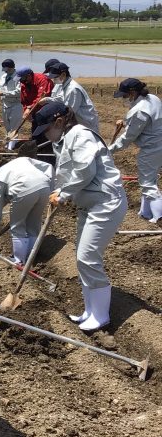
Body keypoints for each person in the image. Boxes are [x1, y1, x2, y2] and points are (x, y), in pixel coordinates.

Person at [32, 100, 127, 332]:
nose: (45, 134)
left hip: (106, 203)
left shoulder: (80, 135)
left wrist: (64, 194)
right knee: (81, 258)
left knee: (88, 257)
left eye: (46, 129)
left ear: (59, 121)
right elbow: (68, 172)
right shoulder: (64, 139)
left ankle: (101, 316)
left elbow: (85, 171)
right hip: (89, 204)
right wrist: (59, 191)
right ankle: (90, 310)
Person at [0, 143, 54, 263]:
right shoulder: (14, 166)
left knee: (17, 226)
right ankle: (31, 258)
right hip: (44, 186)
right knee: (33, 224)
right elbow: (48, 167)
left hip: (24, 188)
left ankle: (19, 260)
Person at [110, 78, 162, 222]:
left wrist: (110, 149)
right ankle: (146, 213)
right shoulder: (153, 98)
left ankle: (159, 218)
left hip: (152, 148)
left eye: (125, 96)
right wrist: (126, 123)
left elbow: (128, 137)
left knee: (147, 183)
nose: (124, 99)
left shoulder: (139, 111)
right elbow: (145, 124)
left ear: (132, 93)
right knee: (149, 179)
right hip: (158, 142)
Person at [42, 62, 99, 130]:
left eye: (55, 77)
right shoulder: (65, 86)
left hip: (87, 123)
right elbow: (61, 99)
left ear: (63, 74)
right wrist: (47, 100)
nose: (53, 80)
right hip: (79, 122)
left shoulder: (73, 89)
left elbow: (70, 112)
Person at [0, 59, 22, 149]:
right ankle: (9, 142)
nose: (6, 71)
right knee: (7, 125)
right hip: (5, 104)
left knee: (14, 126)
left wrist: (4, 93)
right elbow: (0, 87)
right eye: (4, 69)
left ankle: (10, 147)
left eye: (7, 69)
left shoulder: (18, 77)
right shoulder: (3, 77)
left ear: (12, 67)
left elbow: (19, 91)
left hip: (16, 104)